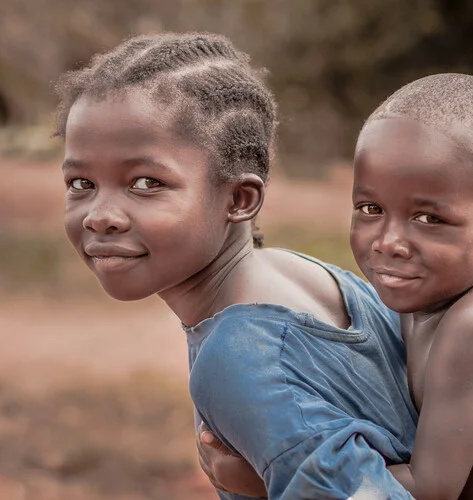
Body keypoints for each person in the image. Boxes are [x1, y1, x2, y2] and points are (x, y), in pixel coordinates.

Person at [201, 74, 473, 500]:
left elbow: (431, 488)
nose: (389, 242)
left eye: (429, 219)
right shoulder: (415, 306)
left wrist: (267, 478)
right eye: (370, 208)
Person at [53, 32, 418, 499]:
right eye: (80, 182)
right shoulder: (307, 274)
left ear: (239, 198)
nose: (100, 215)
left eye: (146, 182)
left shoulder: (238, 358)